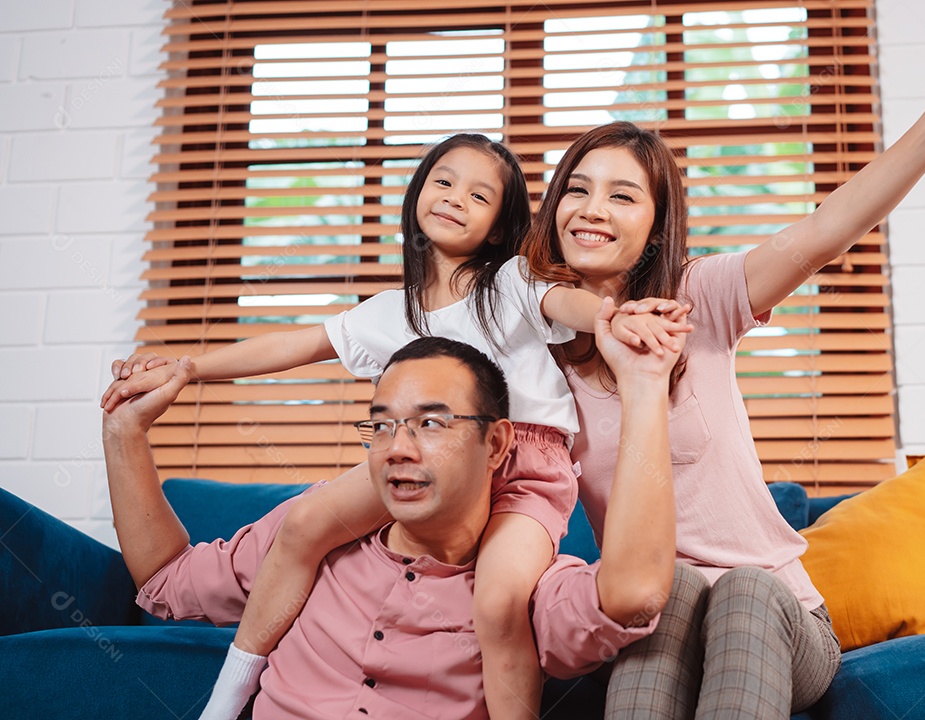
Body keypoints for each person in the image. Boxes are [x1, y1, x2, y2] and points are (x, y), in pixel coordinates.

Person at [100, 133, 689, 720]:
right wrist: (188, 368)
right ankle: (224, 703)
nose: (455, 198)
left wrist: (614, 316)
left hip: (528, 466)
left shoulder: (510, 281)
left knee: (499, 599)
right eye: (443, 181)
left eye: (479, 195)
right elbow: (292, 345)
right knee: (303, 524)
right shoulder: (388, 312)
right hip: (431, 455)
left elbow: (565, 304)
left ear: (499, 227)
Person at [520, 20, 925, 719]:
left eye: (622, 195)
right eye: (577, 189)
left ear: (656, 228)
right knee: (670, 590)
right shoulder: (537, 357)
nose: (592, 209)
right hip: (659, 610)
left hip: (780, 620)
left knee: (745, 587)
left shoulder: (696, 297)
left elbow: (824, 232)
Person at [102, 321, 684, 719]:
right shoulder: (305, 541)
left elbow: (634, 593)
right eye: (382, 426)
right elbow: (165, 581)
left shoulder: (521, 585)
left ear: (496, 444)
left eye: (431, 423)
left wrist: (643, 388)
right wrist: (124, 432)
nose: (398, 449)